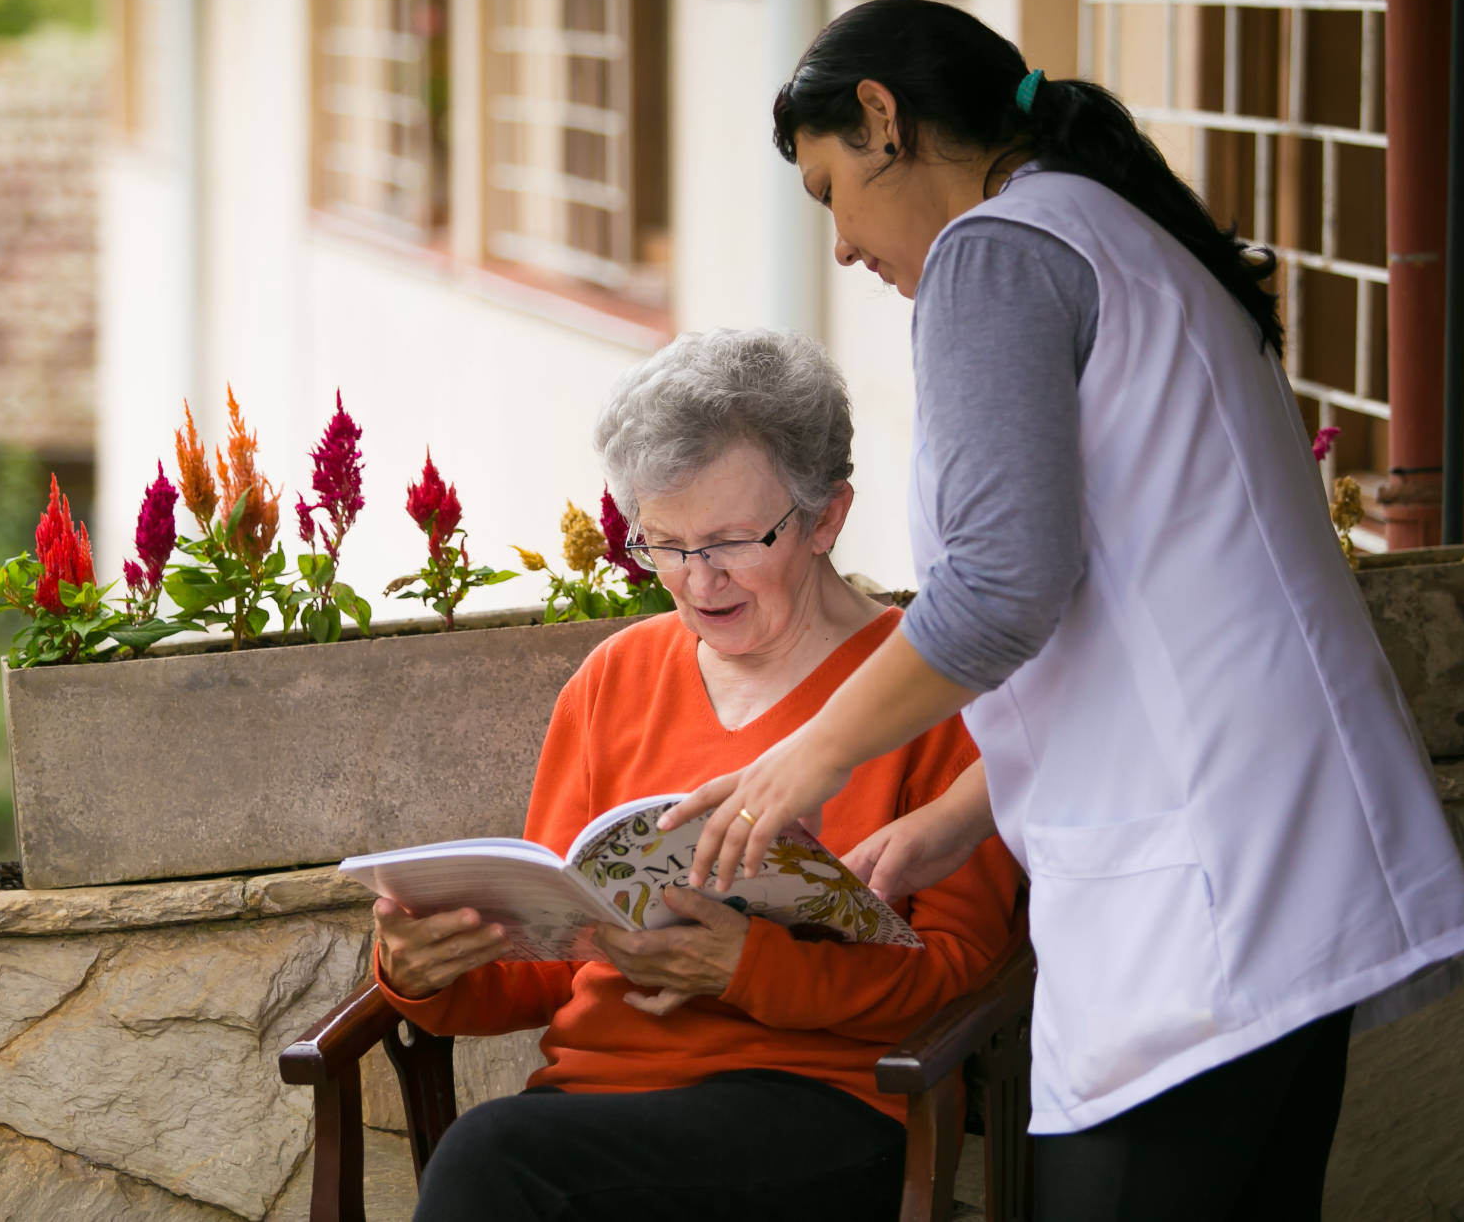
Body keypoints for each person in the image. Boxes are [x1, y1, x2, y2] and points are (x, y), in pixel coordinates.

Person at [665, 0, 1464, 1221]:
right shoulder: (1113, 233)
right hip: (1282, 872)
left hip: (1201, 915)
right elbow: (1148, 605)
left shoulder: (994, 255)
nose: (839, 244)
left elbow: (1001, 588)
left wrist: (801, 760)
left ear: (883, 120)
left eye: (829, 187)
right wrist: (953, 814)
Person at [371, 327, 1024, 1221]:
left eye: (727, 542)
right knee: (511, 1160)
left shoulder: (931, 691)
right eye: (665, 544)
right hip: (591, 1113)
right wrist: (428, 968)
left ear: (826, 516)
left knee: (492, 1159)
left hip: (823, 1105)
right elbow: (556, 958)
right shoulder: (616, 676)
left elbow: (959, 979)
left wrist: (748, 967)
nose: (695, 580)